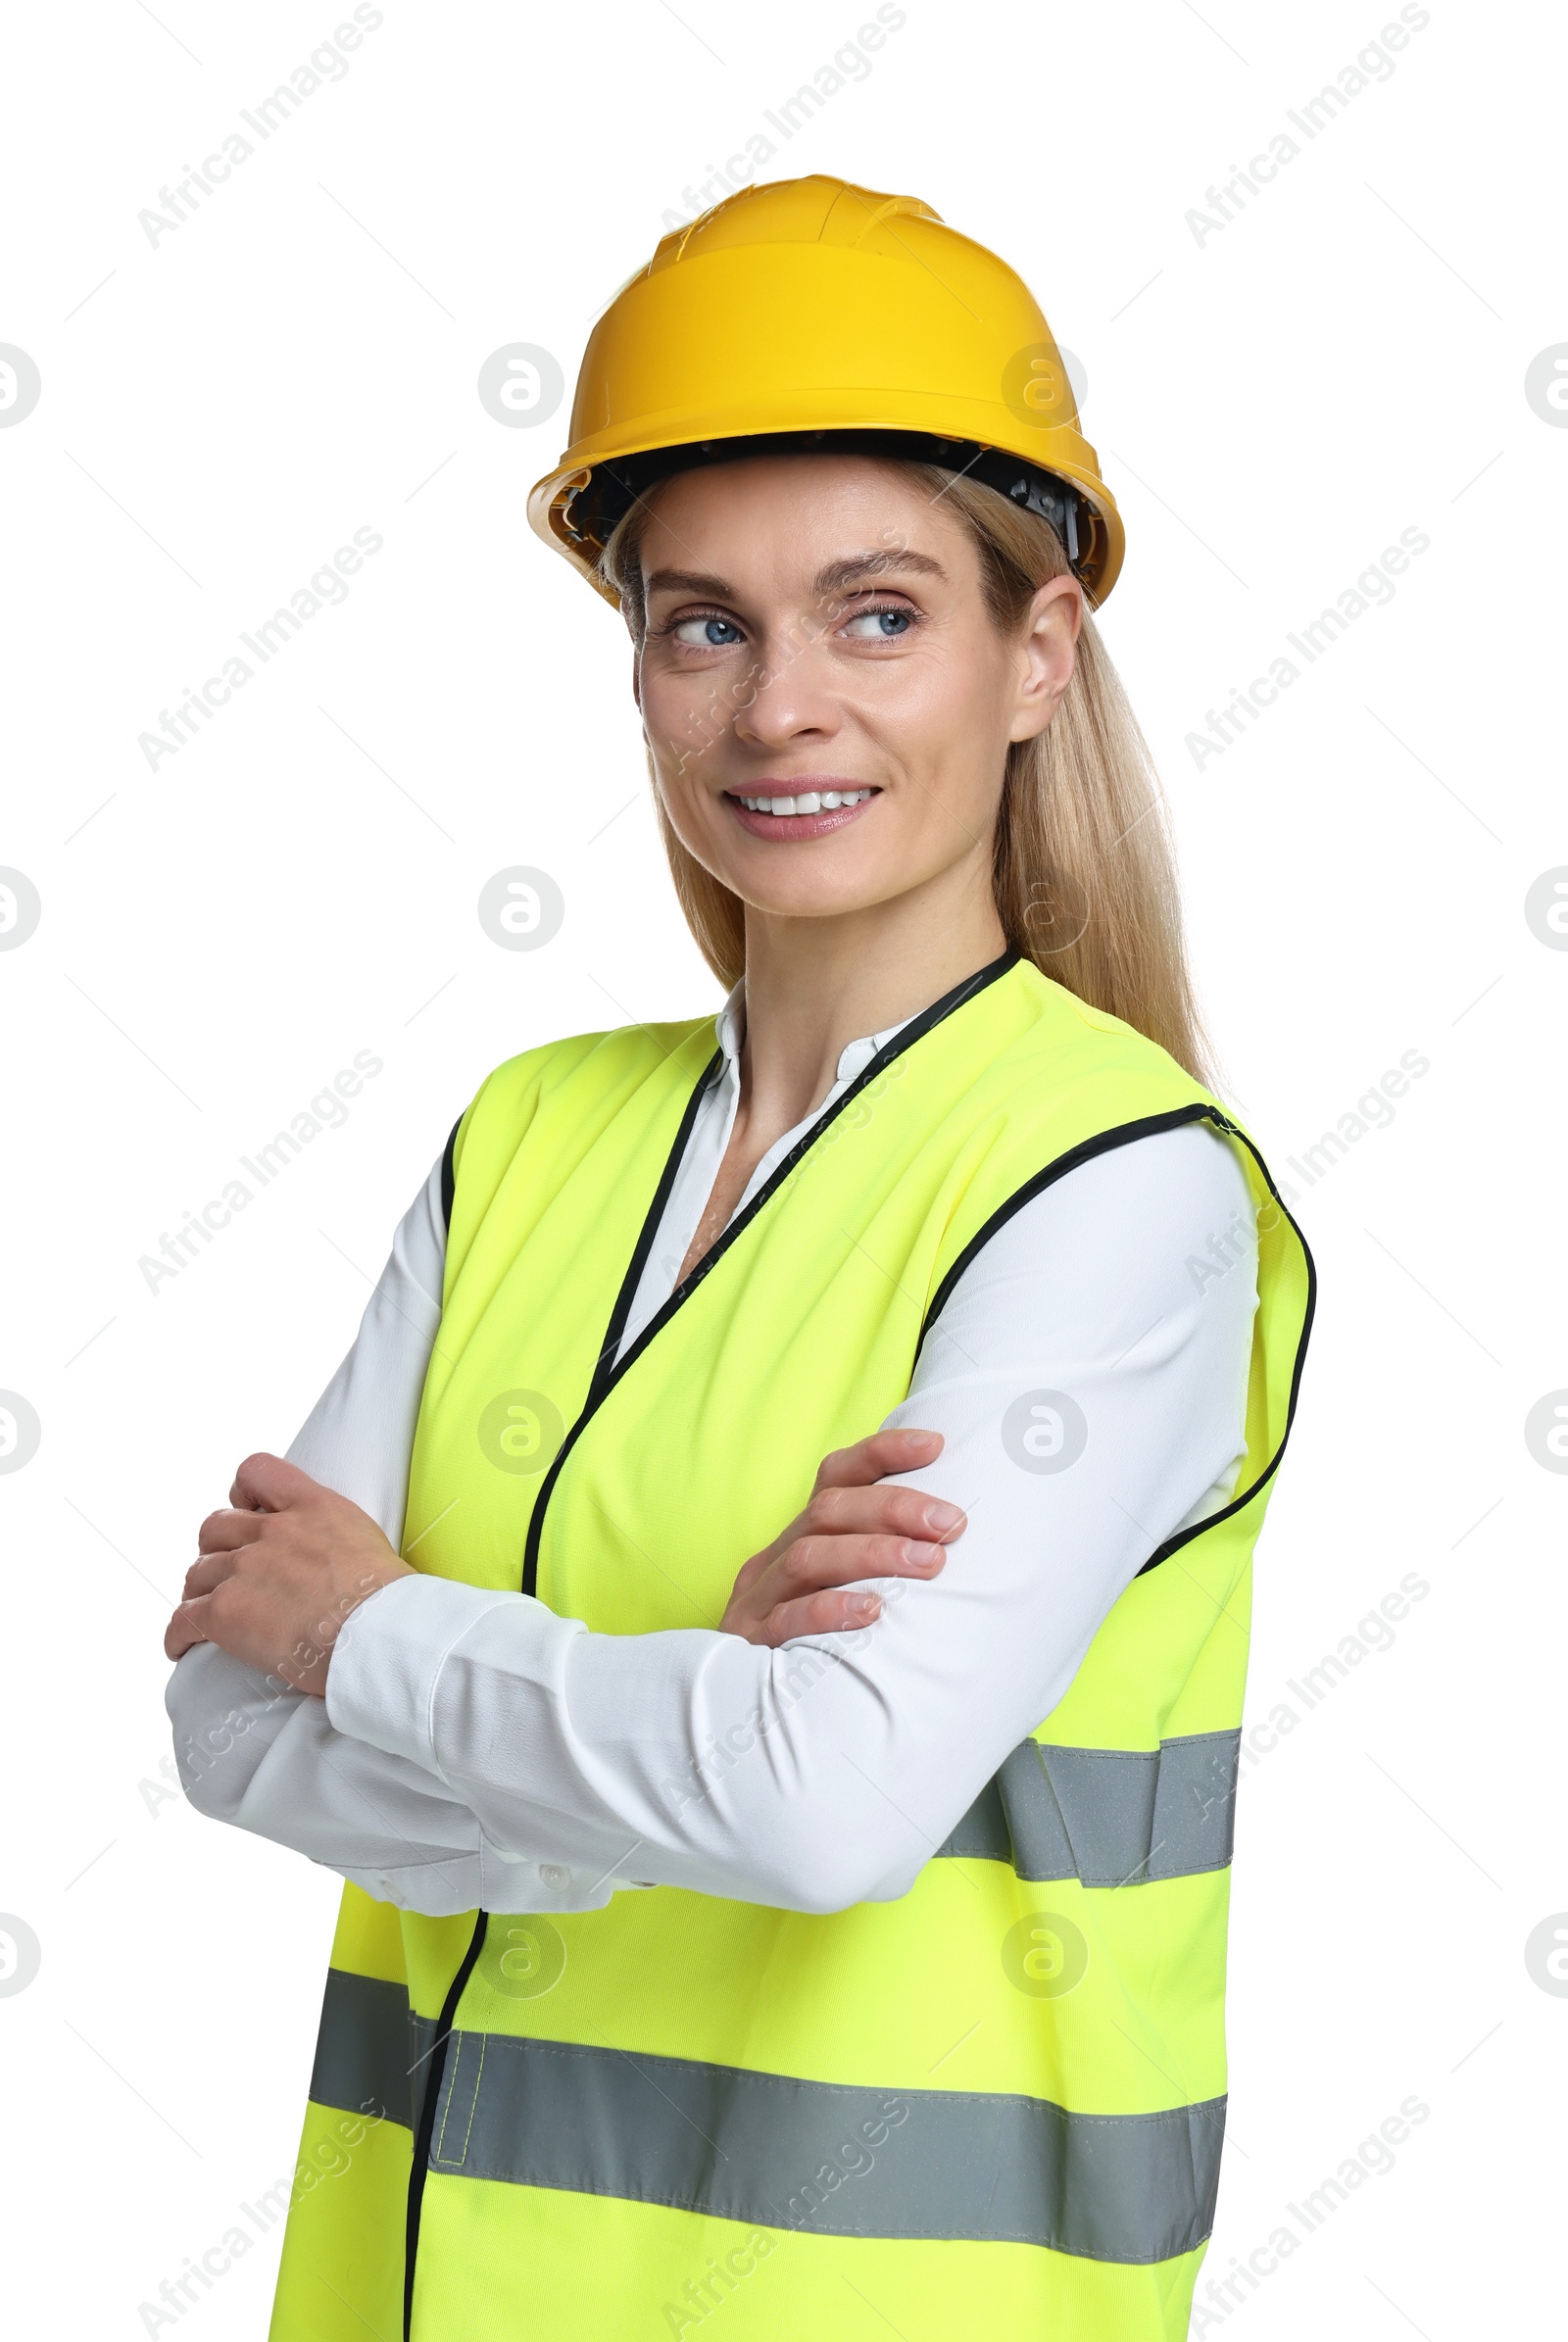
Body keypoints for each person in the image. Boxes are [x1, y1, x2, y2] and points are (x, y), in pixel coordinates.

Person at [164, 174, 1314, 2342]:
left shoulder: (1113, 1186)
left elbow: (821, 1807)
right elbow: (229, 1713)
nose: (781, 704)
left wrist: (389, 1630)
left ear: (1034, 651)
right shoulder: (530, 1132)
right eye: (703, 622)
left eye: (875, 613)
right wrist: (677, 1701)